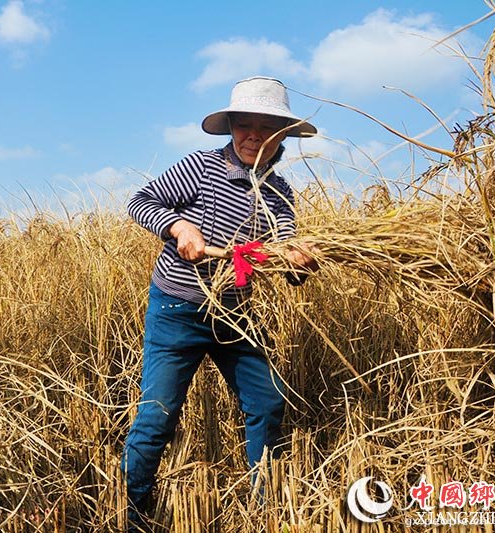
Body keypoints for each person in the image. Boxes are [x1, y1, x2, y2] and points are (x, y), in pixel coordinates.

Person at [121, 76, 318, 529]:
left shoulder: (281, 196)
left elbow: (282, 256)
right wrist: (177, 229)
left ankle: (264, 509)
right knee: (157, 417)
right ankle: (133, 515)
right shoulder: (201, 168)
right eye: (243, 125)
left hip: (238, 315)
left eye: (265, 127)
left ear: (282, 134)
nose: (252, 136)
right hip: (178, 310)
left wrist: (296, 261)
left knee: (267, 405)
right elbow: (140, 200)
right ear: (230, 128)